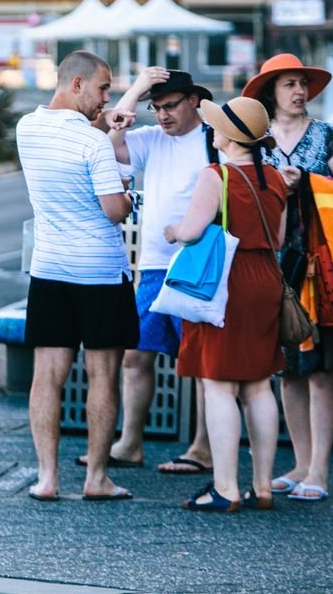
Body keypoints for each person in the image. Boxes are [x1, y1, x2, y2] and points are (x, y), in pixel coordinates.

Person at [16, 50, 139, 502]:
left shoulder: (26, 128)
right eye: (103, 88)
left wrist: (105, 128)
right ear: (77, 85)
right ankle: (97, 478)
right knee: (103, 375)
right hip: (100, 273)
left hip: (49, 269)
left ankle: (47, 478)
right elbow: (113, 211)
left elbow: (67, 141)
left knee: (47, 375)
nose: (106, 98)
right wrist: (127, 192)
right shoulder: (93, 145)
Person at [242, 53, 333, 502]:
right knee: (288, 369)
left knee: (322, 370)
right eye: (289, 84)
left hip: (320, 261)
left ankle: (320, 469)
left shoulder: (329, 136)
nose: (299, 91)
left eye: (303, 83)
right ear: (271, 92)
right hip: (274, 262)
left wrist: (307, 184)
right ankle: (298, 462)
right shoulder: (257, 140)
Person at [89, 67, 216, 475]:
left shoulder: (215, 140)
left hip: (199, 264)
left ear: (194, 100)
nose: (163, 115)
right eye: (156, 107)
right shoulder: (149, 141)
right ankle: (130, 443)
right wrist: (137, 88)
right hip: (155, 264)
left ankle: (202, 448)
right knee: (135, 355)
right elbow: (107, 139)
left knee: (201, 363)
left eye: (171, 105)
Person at [164, 96, 287, 512]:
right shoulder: (275, 178)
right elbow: (281, 239)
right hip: (266, 279)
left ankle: (226, 488)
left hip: (225, 283)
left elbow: (192, 231)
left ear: (231, 137)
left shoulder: (215, 175)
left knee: (218, 385)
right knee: (257, 384)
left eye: (216, 124)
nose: (211, 129)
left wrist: (172, 229)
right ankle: (263, 486)